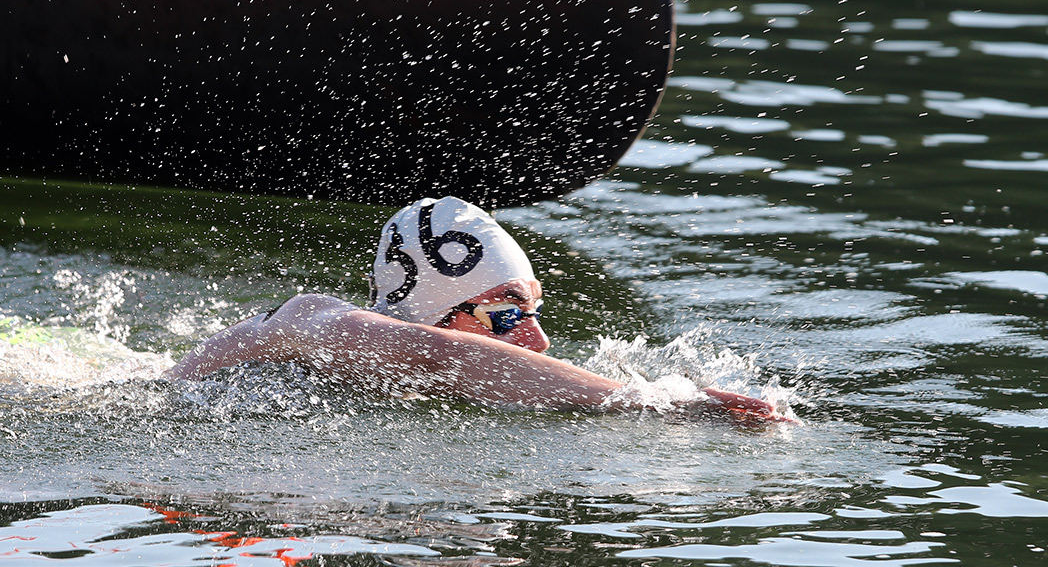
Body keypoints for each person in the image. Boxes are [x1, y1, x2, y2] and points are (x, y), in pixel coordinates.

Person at [167, 197, 787, 425]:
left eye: (535, 312)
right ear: (432, 304)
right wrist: (650, 401)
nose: (538, 341)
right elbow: (438, 353)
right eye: (507, 314)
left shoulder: (380, 367)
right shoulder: (317, 320)